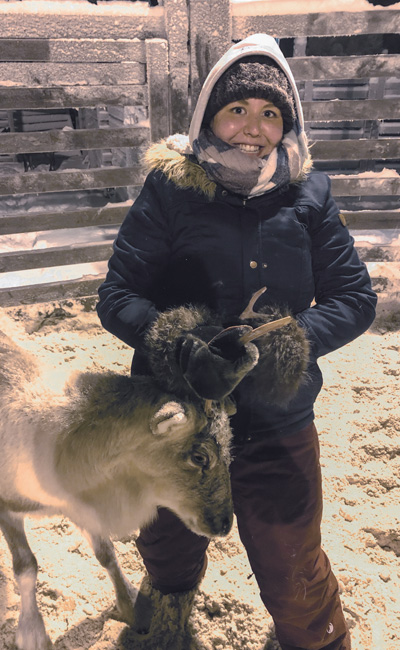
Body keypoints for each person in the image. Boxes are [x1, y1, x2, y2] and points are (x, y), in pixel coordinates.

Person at [97, 33, 377, 650]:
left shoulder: (310, 196)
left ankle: (315, 638)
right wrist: (177, 344)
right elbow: (118, 297)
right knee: (166, 533)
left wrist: (289, 343)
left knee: (291, 553)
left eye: (271, 113)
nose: (254, 127)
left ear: (288, 123)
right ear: (209, 117)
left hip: (276, 415)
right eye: (238, 110)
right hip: (174, 411)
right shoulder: (171, 191)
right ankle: (169, 610)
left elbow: (355, 300)